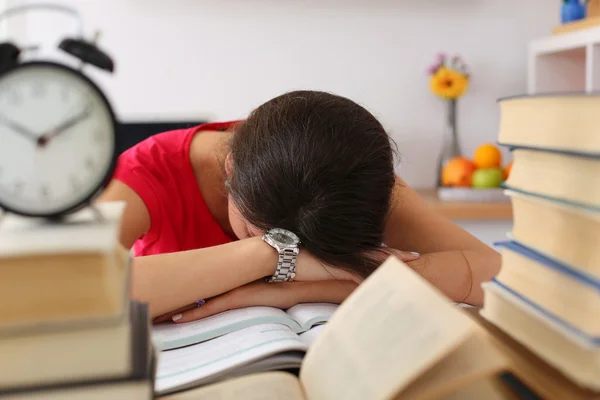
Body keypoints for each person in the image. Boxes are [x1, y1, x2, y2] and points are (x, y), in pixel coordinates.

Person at [98, 90, 500, 324]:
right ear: (231, 169)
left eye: (312, 250)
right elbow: (79, 289)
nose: (296, 252)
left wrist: (310, 286)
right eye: (263, 232)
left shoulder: (346, 174)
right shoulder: (147, 172)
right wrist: (267, 256)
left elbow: (501, 276)